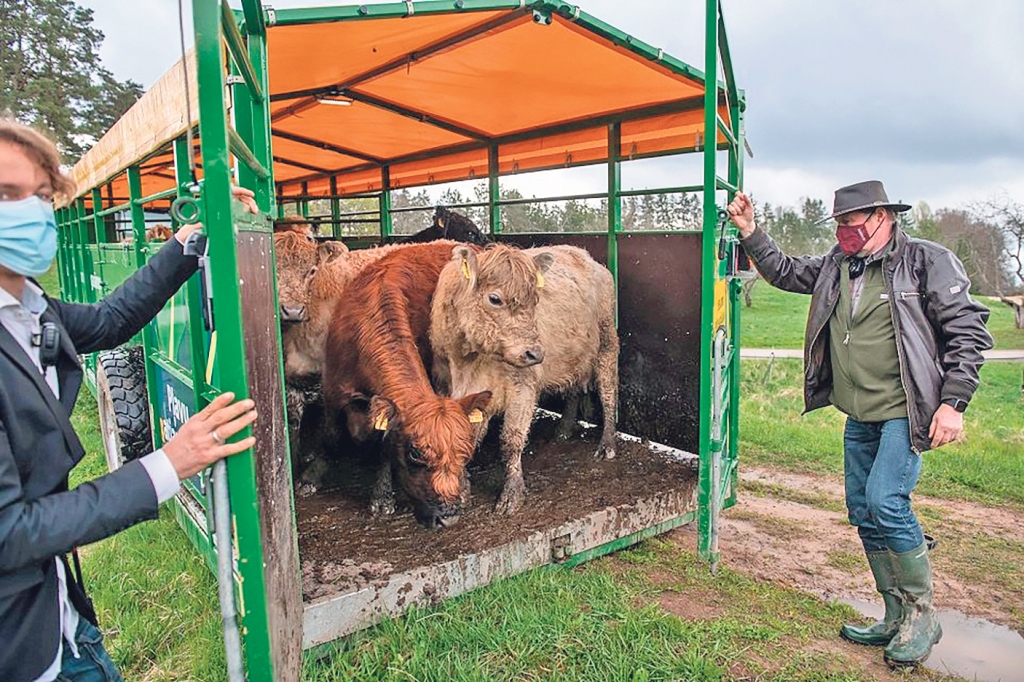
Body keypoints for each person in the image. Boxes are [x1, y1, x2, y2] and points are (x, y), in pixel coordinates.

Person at [0, 119, 260, 682]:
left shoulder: (29, 308)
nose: (30, 213)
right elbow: (9, 532)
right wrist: (168, 464)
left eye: (41, 197)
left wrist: (187, 241)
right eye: (5, 196)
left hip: (57, 611)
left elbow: (111, 320)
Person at [727, 180, 993, 668]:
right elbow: (785, 272)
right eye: (839, 226)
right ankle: (893, 613)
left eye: (850, 225)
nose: (844, 233)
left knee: (885, 501)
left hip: (903, 409)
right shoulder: (837, 264)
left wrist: (953, 403)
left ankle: (922, 614)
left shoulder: (925, 261)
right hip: (860, 412)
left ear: (882, 217)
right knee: (862, 509)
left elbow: (968, 332)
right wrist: (751, 231)